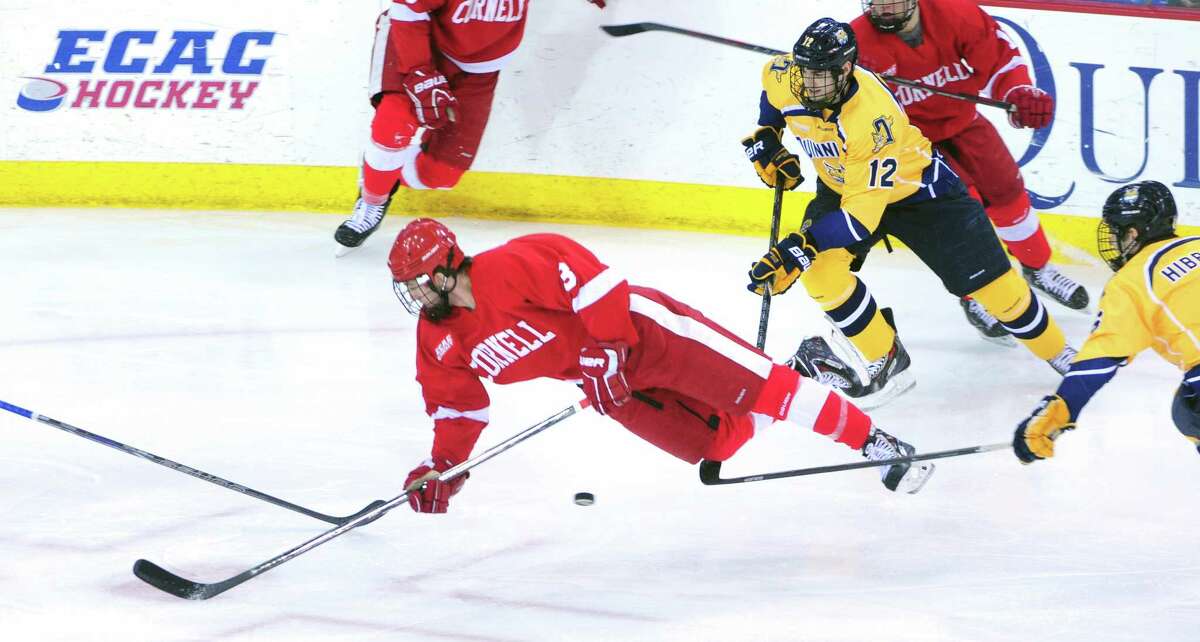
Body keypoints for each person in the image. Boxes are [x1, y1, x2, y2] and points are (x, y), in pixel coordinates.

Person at [389, 218, 938, 513]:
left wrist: (606, 345)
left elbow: (595, 280)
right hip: (607, 384)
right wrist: (444, 466)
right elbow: (457, 406)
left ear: (440, 271)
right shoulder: (437, 336)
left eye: (416, 281)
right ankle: (807, 363)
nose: (412, 295)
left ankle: (878, 443)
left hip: (649, 336)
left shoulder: (506, 268)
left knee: (770, 392)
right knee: (714, 446)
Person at [743, 17, 1075, 409]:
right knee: (821, 274)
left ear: (846, 69)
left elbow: (857, 221)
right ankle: (886, 356)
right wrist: (767, 138)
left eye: (821, 76)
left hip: (921, 194)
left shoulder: (872, 116)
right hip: (844, 188)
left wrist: (798, 246)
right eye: (805, 73)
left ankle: (1060, 352)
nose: (809, 84)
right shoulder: (786, 73)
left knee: (998, 291)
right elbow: (772, 99)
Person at [851, 0, 1090, 345]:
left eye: (895, 0)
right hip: (913, 148)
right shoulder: (858, 43)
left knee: (1007, 190)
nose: (885, 9)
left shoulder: (957, 14)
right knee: (958, 218)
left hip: (963, 122)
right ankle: (975, 296)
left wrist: (1017, 92)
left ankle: (1038, 269)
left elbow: (999, 60)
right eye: (877, 2)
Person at [333, 0, 607, 255]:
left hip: (480, 69)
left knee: (440, 174)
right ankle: (371, 202)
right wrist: (420, 71)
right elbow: (407, 8)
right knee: (393, 125)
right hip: (417, 41)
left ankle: (383, 170)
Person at [1014, 181, 1200, 463]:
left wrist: (1057, 412)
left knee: (1188, 410)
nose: (1114, 241)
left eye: (1117, 233)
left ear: (1133, 234)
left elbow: (1099, 359)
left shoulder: (1132, 282)